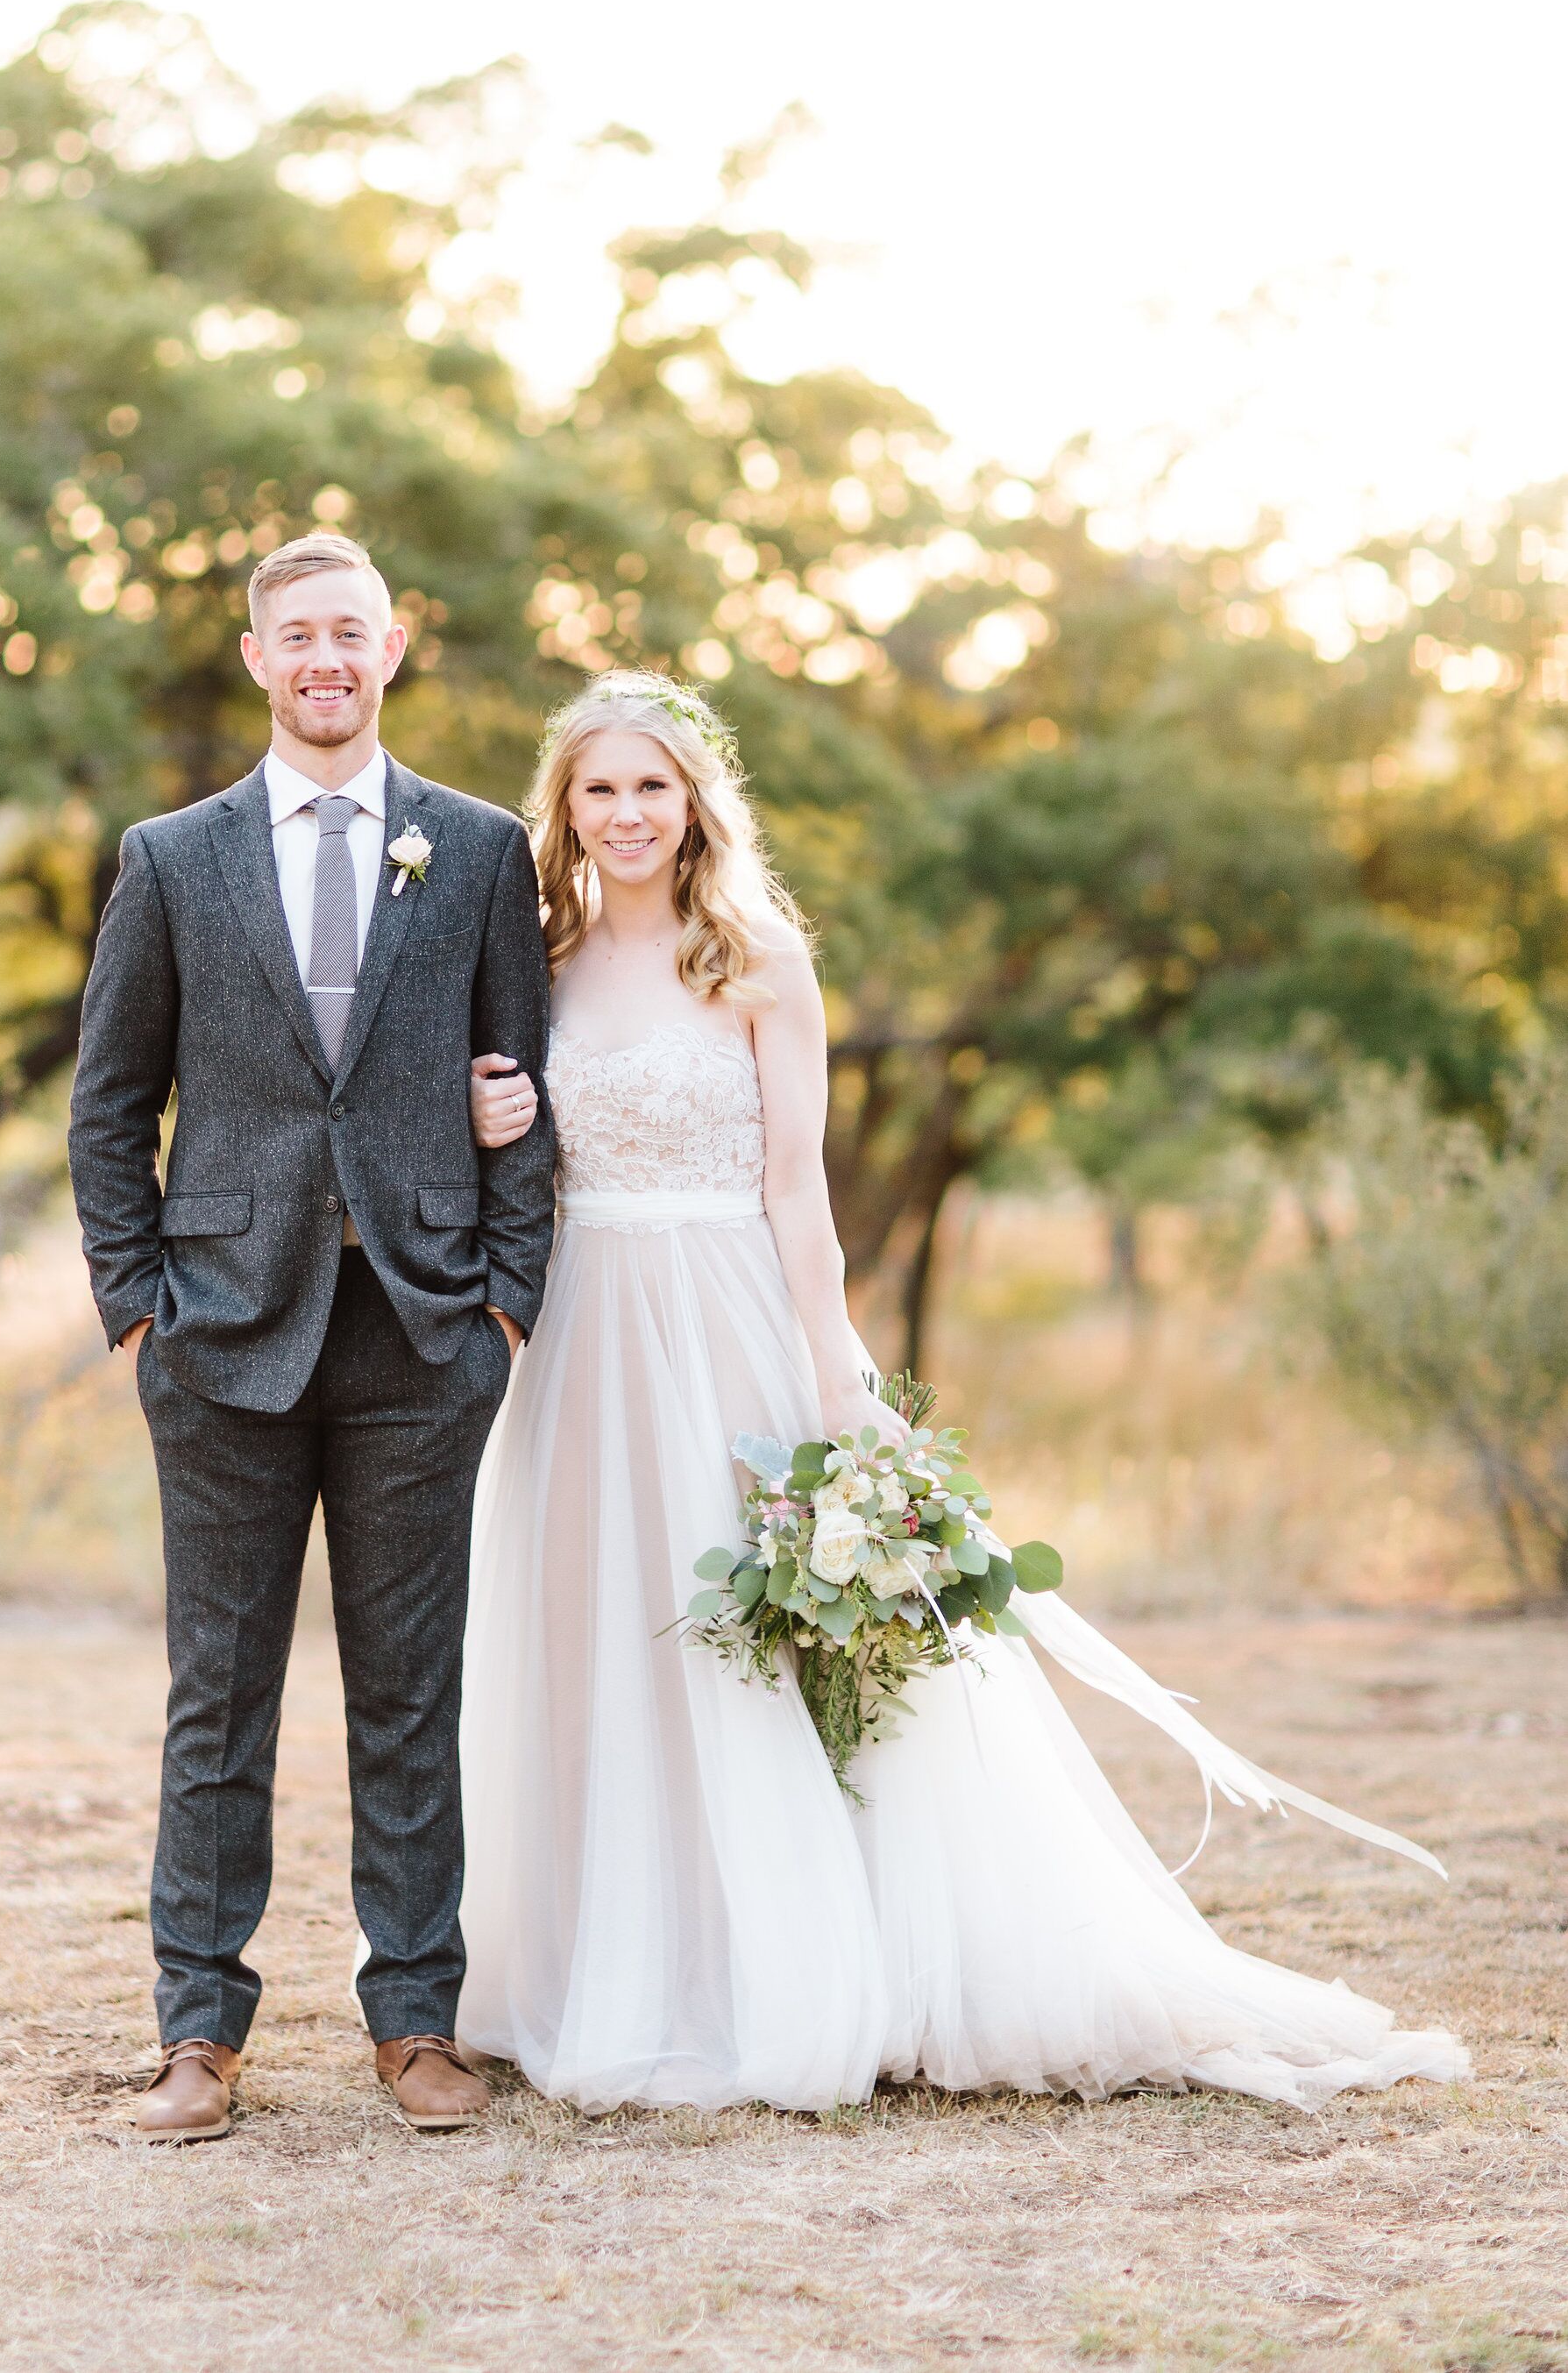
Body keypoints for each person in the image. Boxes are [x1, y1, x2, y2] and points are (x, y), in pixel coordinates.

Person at [459, 671, 1469, 2114]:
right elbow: (499, 1140)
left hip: (732, 1323)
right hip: (582, 1337)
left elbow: (796, 1190)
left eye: (652, 787)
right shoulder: (530, 959)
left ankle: (792, 1968)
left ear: (695, 805)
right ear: (562, 808)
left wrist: (832, 1376)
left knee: (764, 1650)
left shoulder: (754, 962)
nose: (625, 814)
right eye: (599, 790)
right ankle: (620, 1961)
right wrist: (488, 1109)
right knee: (604, 1645)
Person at [69, 530, 555, 2141]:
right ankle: (195, 2036)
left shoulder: (479, 851)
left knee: (410, 1692)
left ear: (394, 649)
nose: (327, 659)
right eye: (300, 636)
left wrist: (503, 1298)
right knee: (217, 1697)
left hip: (424, 1334)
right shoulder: (170, 858)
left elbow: (524, 1093)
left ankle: (416, 2021)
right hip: (219, 1334)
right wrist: (137, 1313)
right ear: (258, 655)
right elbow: (109, 1106)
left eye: (353, 631)